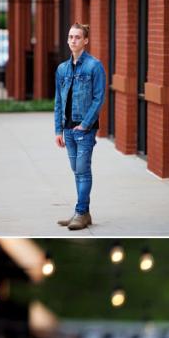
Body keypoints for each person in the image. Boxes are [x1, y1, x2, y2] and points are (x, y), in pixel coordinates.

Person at [53, 23, 106, 230]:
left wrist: (85, 125)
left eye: (77, 37)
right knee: (77, 171)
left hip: (84, 129)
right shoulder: (62, 69)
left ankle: (81, 212)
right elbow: (58, 100)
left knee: (83, 171)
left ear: (85, 40)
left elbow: (98, 98)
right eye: (70, 37)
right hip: (68, 128)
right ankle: (83, 213)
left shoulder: (94, 66)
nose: (73, 40)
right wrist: (58, 129)